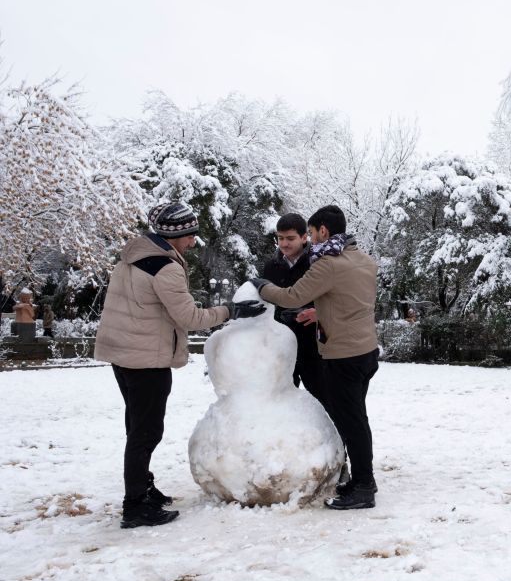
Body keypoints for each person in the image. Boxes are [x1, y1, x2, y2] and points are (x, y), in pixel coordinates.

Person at [94, 202, 266, 529]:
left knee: (137, 427)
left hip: (123, 356)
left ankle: (143, 488)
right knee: (146, 432)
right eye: (190, 235)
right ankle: (135, 507)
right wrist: (231, 311)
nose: (193, 242)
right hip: (146, 359)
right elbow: (189, 318)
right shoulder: (166, 267)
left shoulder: (132, 257)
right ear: (176, 235)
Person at [251, 205, 380, 511]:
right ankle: (362, 479)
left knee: (351, 422)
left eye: (309, 232)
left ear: (323, 231)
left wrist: (262, 287)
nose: (309, 238)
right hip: (366, 350)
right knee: (356, 419)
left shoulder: (327, 264)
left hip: (341, 353)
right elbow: (348, 303)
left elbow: (291, 297)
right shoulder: (364, 260)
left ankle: (364, 485)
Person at [261, 213, 325, 406]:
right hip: (281, 344)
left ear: (304, 237)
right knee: (281, 400)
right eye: (280, 238)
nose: (284, 244)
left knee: (323, 398)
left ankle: (329, 436)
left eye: (290, 238)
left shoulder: (318, 263)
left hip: (313, 345)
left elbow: (333, 298)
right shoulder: (271, 266)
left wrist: (318, 313)